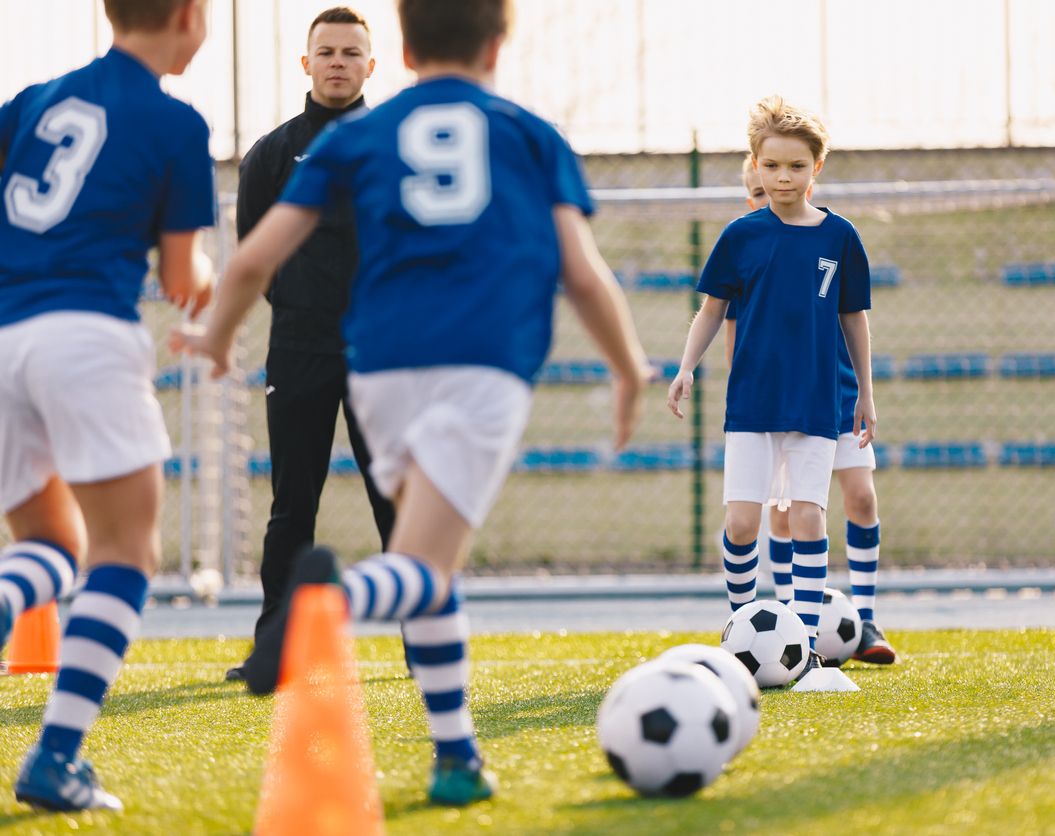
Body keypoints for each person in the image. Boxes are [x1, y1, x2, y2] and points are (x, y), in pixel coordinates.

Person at [173, 0, 650, 806]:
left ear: (395, 46)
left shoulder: (356, 138)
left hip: (380, 365)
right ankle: (328, 600)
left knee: (433, 558)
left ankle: (457, 755)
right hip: (478, 363)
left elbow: (253, 255)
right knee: (425, 564)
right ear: (499, 42)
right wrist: (629, 368)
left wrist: (217, 335)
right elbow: (580, 270)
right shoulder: (527, 134)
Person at [0, 0, 215, 811]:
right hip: (84, 333)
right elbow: (179, 274)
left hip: (4, 330)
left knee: (53, 543)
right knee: (123, 555)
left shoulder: (37, 98)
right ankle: (55, 759)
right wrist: (209, 288)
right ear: (190, 16)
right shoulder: (174, 122)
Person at [667, 96, 874, 678]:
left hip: (813, 404)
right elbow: (712, 311)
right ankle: (739, 633)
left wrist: (865, 391)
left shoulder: (840, 238)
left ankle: (806, 649)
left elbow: (854, 317)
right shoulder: (740, 236)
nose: (783, 177)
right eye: (772, 166)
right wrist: (685, 367)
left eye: (796, 166)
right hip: (753, 404)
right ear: (755, 166)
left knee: (809, 518)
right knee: (741, 524)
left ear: (817, 169)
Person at [225, 5, 396, 684]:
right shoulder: (272, 153)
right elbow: (253, 254)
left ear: (370, 65)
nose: (337, 62)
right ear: (306, 62)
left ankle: (425, 643)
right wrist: (301, 312)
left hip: (382, 354)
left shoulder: (395, 146)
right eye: (326, 51)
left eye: (351, 53)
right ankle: (277, 642)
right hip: (299, 348)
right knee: (293, 501)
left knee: (397, 499)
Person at [724, 154, 896, 665]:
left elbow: (853, 316)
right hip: (773, 402)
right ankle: (783, 629)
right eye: (756, 190)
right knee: (781, 512)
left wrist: (864, 390)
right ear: (750, 197)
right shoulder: (749, 251)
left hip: (833, 391)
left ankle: (863, 619)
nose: (768, 192)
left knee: (860, 497)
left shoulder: (828, 240)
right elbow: (732, 334)